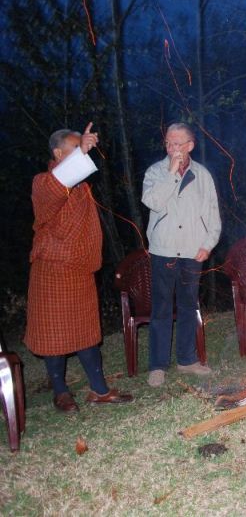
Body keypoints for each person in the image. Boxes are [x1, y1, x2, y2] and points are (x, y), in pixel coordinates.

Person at [24, 124, 133, 412]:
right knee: (54, 335)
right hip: (53, 269)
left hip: (81, 270)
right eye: (75, 149)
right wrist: (81, 152)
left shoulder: (82, 187)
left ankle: (99, 390)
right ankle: (60, 392)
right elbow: (55, 189)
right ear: (58, 153)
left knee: (85, 333)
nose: (82, 154)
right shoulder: (44, 183)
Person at [141, 122, 221, 387]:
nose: (172, 148)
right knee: (161, 309)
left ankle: (187, 360)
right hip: (163, 250)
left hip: (191, 251)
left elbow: (212, 213)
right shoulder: (155, 171)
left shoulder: (203, 175)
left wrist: (208, 244)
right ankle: (157, 366)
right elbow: (152, 202)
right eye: (168, 143)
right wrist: (172, 173)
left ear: (190, 146)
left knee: (189, 307)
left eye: (178, 144)